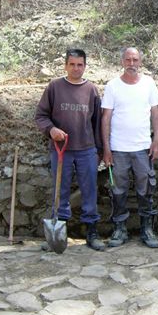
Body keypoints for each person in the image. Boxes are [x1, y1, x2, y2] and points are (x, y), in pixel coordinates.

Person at [34, 48, 105, 251]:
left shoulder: (91, 89)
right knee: (60, 191)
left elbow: (97, 122)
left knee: (90, 190)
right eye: (72, 64)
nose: (76, 68)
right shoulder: (54, 87)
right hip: (61, 150)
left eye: (80, 64)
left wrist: (99, 150)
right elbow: (41, 116)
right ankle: (59, 231)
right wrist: (51, 129)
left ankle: (92, 231)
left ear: (85, 66)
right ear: (65, 65)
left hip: (86, 150)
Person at [101, 47, 158, 249]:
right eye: (128, 59)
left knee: (146, 189)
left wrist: (156, 141)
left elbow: (155, 114)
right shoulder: (112, 86)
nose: (132, 63)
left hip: (143, 148)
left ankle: (147, 228)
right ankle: (120, 228)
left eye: (135, 59)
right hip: (118, 149)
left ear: (140, 62)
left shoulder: (148, 84)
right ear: (122, 62)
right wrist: (106, 148)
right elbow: (106, 118)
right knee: (118, 190)